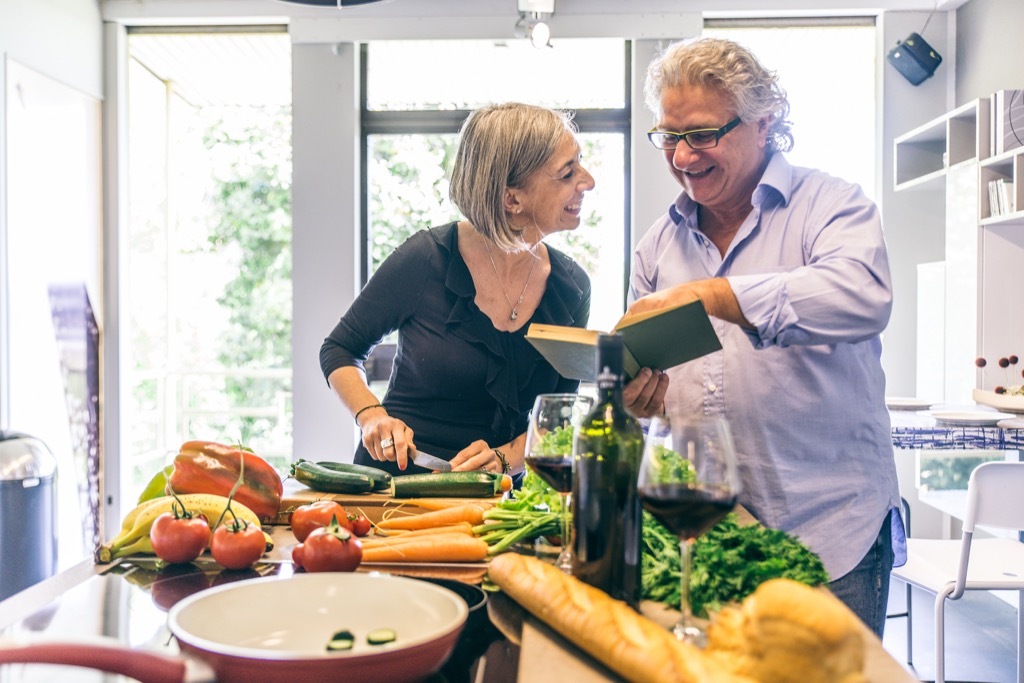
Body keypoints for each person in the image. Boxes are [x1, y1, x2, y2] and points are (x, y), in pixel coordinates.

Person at [627, 37, 905, 637]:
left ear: (764, 123)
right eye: (669, 136)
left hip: (832, 532)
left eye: (701, 135)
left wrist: (715, 294)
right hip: (708, 536)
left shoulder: (833, 205)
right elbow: (659, 389)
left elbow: (861, 295)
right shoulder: (657, 244)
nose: (681, 156)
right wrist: (639, 399)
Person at [320, 102, 667, 480]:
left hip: (496, 500)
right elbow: (340, 349)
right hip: (397, 487)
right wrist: (371, 415)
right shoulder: (424, 259)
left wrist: (503, 459)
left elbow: (557, 417)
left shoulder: (572, 287)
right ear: (512, 199)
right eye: (567, 173)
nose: (588, 181)